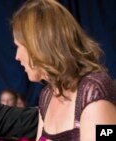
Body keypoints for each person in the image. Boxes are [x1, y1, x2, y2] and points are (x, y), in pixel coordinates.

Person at [11, 0, 116, 141]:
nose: (17, 57)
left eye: (19, 46)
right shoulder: (47, 95)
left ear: (39, 46)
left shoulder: (93, 92)